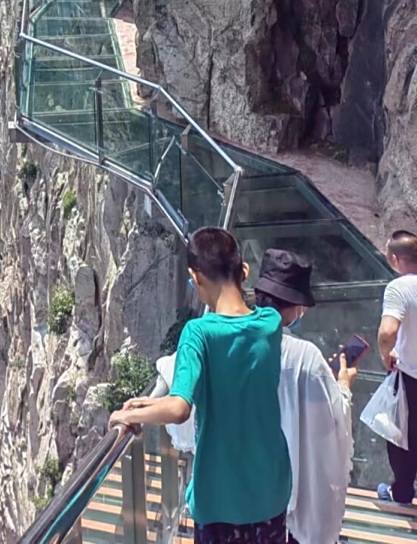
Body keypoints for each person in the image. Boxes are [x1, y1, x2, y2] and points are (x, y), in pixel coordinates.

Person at [110, 228, 291, 544]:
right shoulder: (270, 323)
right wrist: (147, 403)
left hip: (220, 498)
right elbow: (230, 383)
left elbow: (180, 408)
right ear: (243, 270)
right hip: (269, 491)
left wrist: (128, 416)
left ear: (196, 277)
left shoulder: (198, 333)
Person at [253, 249, 355, 544]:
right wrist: (344, 384)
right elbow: (332, 417)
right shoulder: (305, 355)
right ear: (295, 307)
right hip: (291, 488)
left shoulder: (234, 339)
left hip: (245, 484)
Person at [378, 230, 417, 504]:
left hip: (410, 374)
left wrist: (386, 354)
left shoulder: (399, 287)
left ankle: (401, 493)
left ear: (394, 258)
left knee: (401, 435)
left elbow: (387, 332)